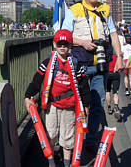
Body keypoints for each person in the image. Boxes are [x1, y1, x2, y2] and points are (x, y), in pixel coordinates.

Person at [62, 0, 123, 153]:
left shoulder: (105, 10)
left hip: (101, 65)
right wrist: (82, 42)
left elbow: (113, 34)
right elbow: (64, 37)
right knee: (78, 103)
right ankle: (73, 138)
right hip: (80, 64)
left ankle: (89, 139)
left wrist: (119, 57)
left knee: (98, 102)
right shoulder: (74, 10)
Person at [24, 29, 90, 167]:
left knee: (68, 136)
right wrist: (28, 96)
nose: (62, 47)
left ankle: (67, 163)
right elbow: (37, 80)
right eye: (59, 44)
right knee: (51, 134)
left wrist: (86, 105)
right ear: (54, 44)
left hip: (70, 105)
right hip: (52, 105)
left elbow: (84, 86)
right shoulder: (48, 62)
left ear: (71, 46)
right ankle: (51, 162)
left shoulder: (77, 65)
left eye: (66, 44)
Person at [106, 54, 121, 119]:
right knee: (115, 92)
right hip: (115, 74)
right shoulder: (117, 56)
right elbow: (121, 66)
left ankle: (109, 108)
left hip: (107, 74)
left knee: (107, 91)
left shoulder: (105, 56)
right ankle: (116, 105)